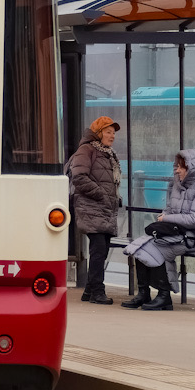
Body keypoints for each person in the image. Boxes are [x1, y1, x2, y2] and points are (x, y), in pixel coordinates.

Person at [123, 149, 195, 310]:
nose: (177, 170)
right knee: (139, 246)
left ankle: (164, 295)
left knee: (159, 248)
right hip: (178, 232)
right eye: (177, 166)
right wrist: (165, 216)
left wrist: (166, 219)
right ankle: (143, 293)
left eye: (181, 167)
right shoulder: (176, 184)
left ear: (192, 169)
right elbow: (170, 209)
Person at [68, 116, 123, 304]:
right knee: (99, 249)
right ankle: (98, 292)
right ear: (98, 133)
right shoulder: (87, 150)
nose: (112, 136)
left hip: (105, 209)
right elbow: (79, 177)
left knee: (102, 249)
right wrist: (101, 194)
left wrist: (112, 198)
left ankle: (89, 291)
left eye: (114, 133)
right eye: (108, 132)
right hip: (92, 208)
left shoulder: (108, 153)